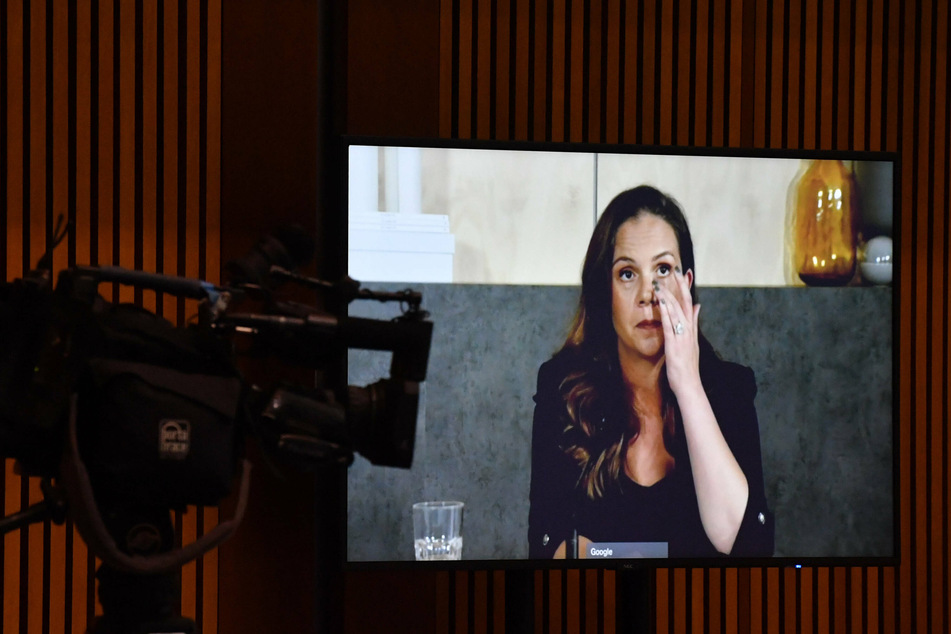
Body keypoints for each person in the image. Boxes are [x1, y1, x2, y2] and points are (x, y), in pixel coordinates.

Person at [528, 185, 773, 559]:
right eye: (627, 274)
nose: (647, 294)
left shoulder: (728, 389)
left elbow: (748, 548)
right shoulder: (563, 388)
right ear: (603, 291)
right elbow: (546, 540)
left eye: (662, 269)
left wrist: (688, 385)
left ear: (686, 285)